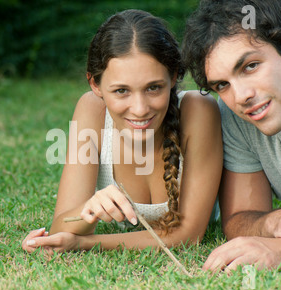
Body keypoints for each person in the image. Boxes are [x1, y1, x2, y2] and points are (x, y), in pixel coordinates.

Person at [22, 9, 222, 254]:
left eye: (153, 88)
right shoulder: (92, 110)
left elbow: (189, 235)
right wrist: (89, 210)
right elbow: (62, 226)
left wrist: (84, 243)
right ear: (95, 84)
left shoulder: (198, 110)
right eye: (121, 91)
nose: (139, 109)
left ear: (172, 77)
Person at [182, 0, 281, 272]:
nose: (240, 97)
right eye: (222, 85)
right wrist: (275, 221)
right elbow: (239, 218)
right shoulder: (237, 115)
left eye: (250, 66)